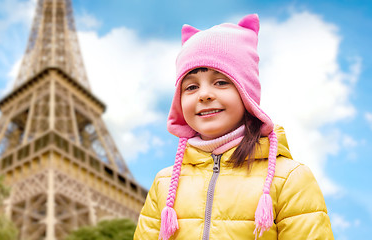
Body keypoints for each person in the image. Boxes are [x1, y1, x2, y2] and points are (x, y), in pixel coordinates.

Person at [134, 14, 334, 240]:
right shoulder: (165, 182)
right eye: (190, 87)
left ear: (247, 93)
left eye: (221, 82)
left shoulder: (290, 178)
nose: (205, 94)